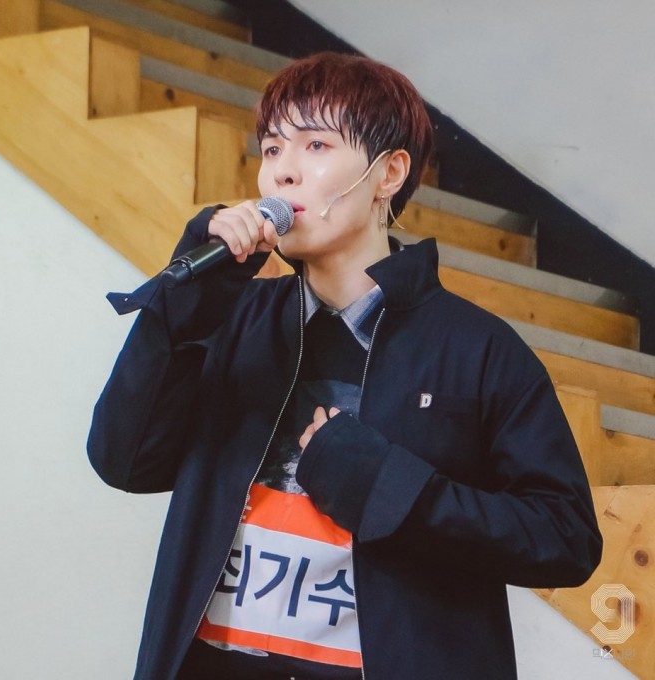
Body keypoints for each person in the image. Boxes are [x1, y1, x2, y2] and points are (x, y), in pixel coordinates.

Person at [88, 51, 602, 680]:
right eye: (272, 149)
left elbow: (565, 539)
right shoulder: (234, 318)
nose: (283, 171)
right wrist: (186, 306)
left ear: (389, 173)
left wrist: (389, 488)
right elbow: (124, 460)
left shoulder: (479, 351)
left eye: (316, 145)